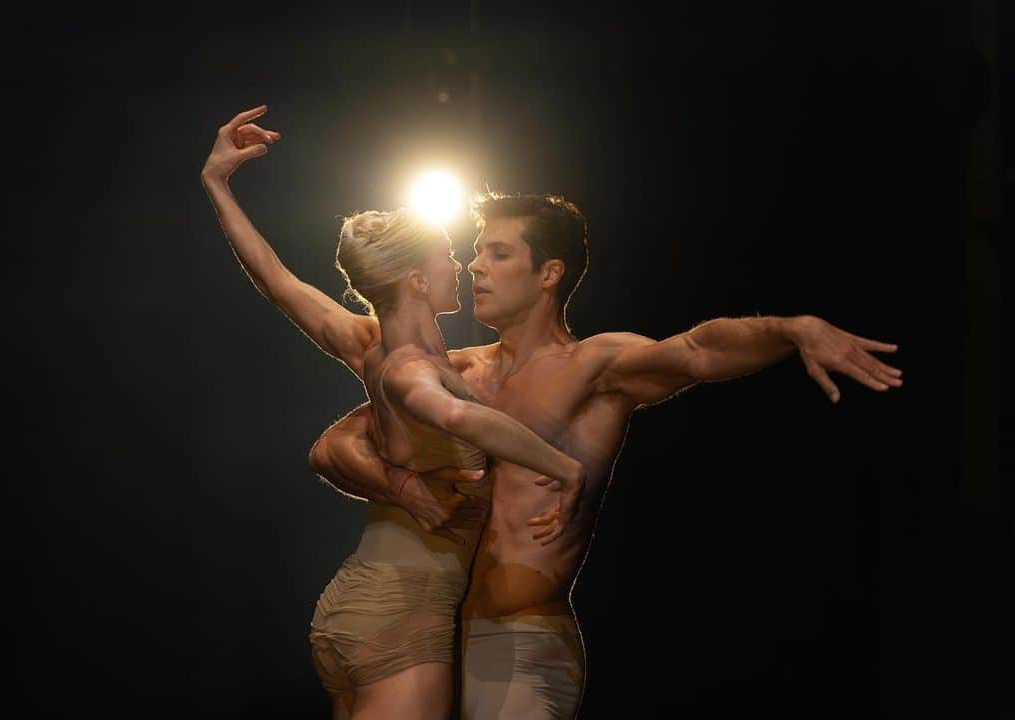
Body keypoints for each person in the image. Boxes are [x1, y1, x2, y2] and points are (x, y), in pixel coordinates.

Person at [308, 192, 905, 719]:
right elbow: (335, 444)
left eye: (498, 254)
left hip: (517, 639)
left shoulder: (596, 366)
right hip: (429, 637)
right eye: (475, 252)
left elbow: (697, 349)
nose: (475, 267)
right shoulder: (457, 369)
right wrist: (401, 487)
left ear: (550, 274)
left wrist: (792, 328)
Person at [201, 106, 586, 720]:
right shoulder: (410, 368)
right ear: (415, 279)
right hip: (402, 615)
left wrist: (217, 184)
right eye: (446, 256)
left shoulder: (366, 344)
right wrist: (566, 470)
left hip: (362, 601)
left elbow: (275, 279)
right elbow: (459, 421)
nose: (459, 265)